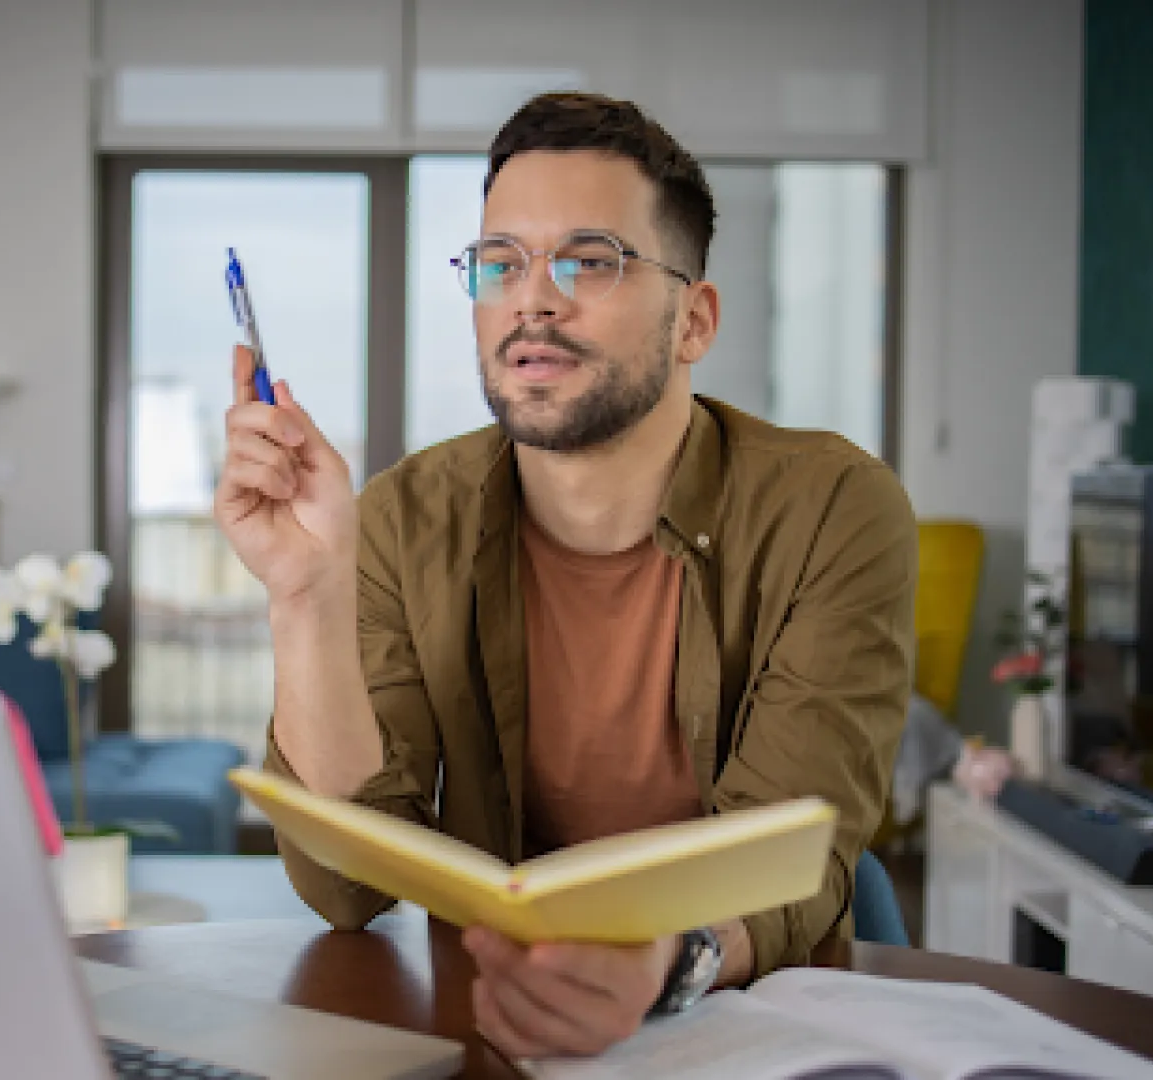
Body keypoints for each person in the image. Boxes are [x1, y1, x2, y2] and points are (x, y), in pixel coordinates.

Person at [212, 91, 917, 1060]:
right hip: (501, 1021)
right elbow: (347, 885)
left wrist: (661, 964)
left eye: (590, 260)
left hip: (748, 1024)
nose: (532, 297)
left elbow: (796, 851)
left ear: (693, 322)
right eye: (500, 263)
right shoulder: (403, 517)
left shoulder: (835, 506)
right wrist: (304, 595)